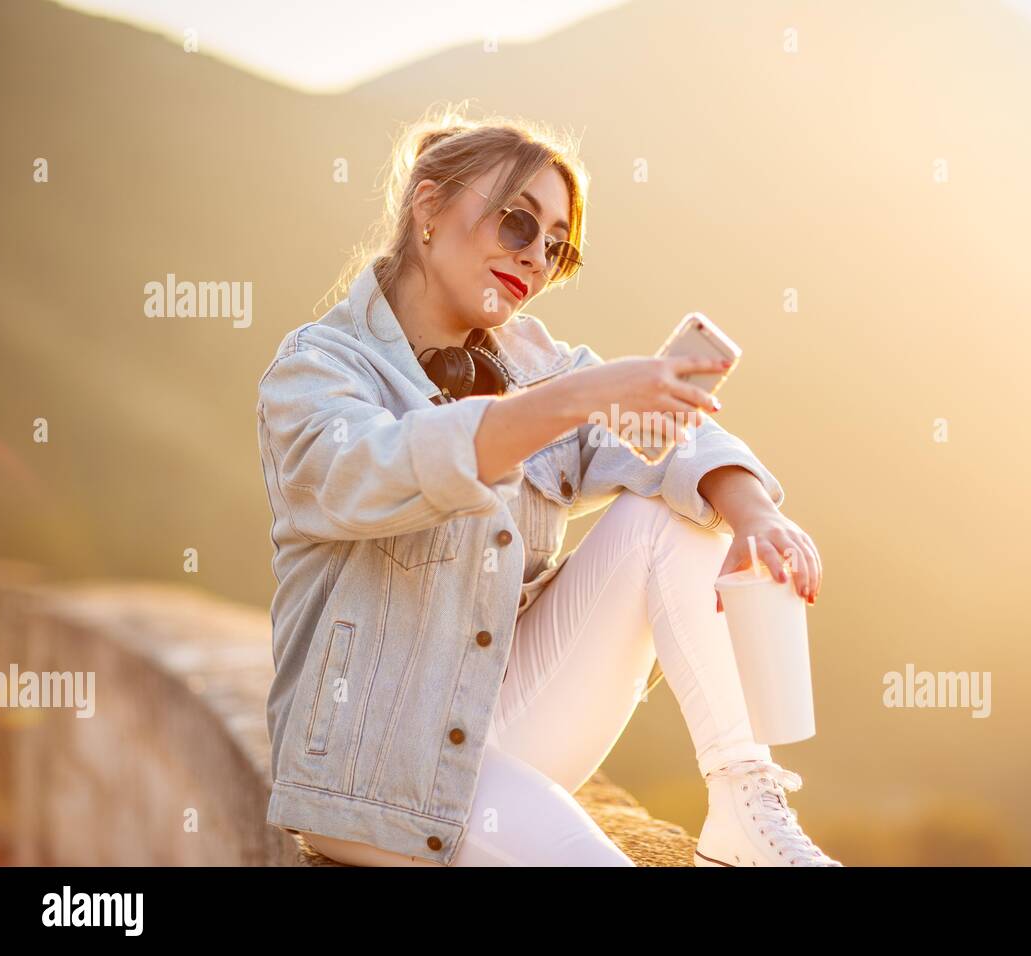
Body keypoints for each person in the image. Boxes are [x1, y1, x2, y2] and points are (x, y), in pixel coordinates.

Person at [256, 105, 838, 866]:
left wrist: (754, 510)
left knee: (673, 518)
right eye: (519, 226)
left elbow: (663, 444)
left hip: (499, 726)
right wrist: (580, 394)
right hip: (376, 774)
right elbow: (379, 467)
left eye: (558, 249)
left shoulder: (527, 360)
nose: (536, 259)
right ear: (428, 208)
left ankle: (741, 803)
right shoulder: (317, 370)